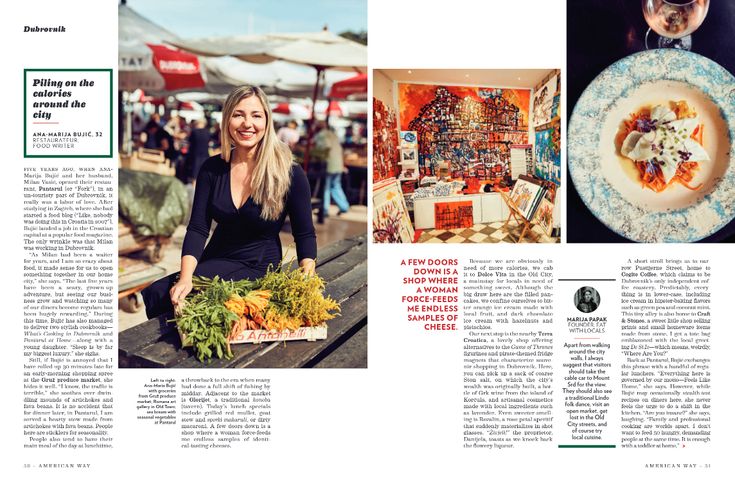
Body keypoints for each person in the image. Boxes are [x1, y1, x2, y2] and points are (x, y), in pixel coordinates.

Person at [142, 85, 317, 319]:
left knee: (175, 300)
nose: (247, 123)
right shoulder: (212, 169)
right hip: (216, 258)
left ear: (267, 121)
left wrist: (307, 281)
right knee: (163, 292)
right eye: (238, 114)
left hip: (258, 265)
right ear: (227, 121)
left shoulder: (289, 172)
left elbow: (304, 233)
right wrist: (185, 277)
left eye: (256, 115)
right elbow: (197, 228)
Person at [314, 122, 350, 216]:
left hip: (329, 164)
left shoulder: (321, 135)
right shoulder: (333, 134)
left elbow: (326, 148)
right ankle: (344, 206)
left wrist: (313, 153)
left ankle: (324, 209)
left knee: (326, 187)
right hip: (338, 164)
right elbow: (340, 149)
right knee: (336, 185)